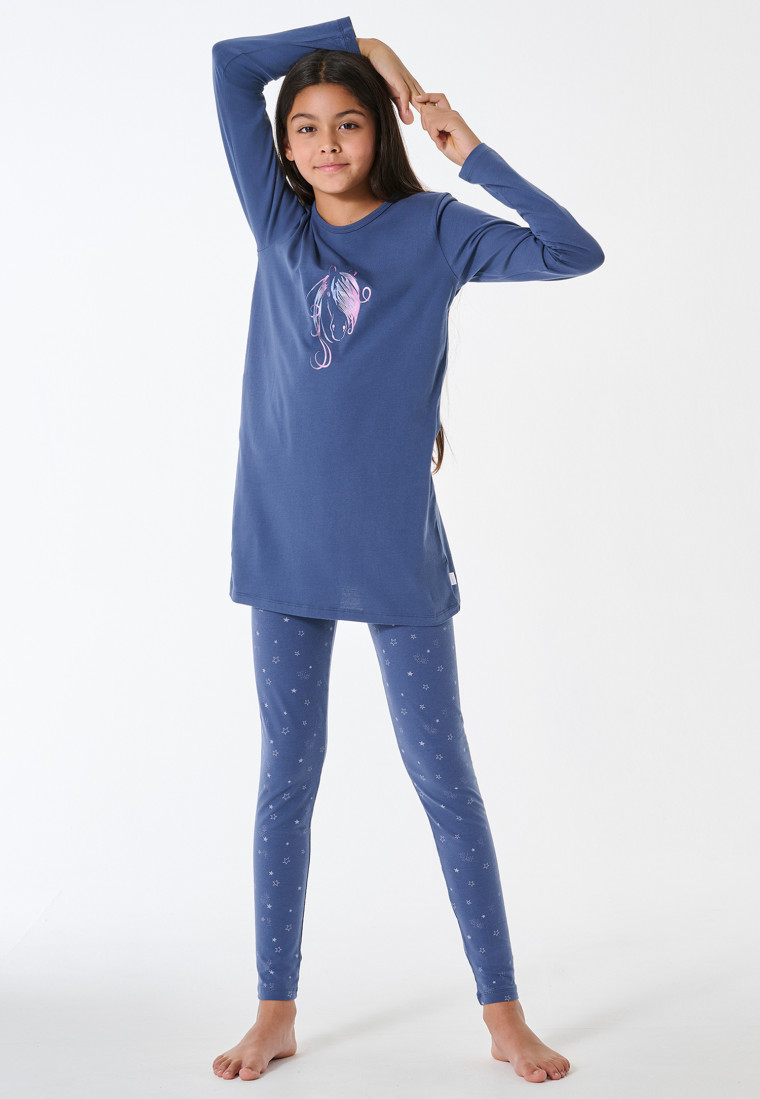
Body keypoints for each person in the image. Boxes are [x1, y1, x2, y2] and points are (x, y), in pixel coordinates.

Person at [210, 15, 604, 1085]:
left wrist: (461, 144)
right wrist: (364, 45)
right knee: (287, 777)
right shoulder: (279, 221)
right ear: (284, 146)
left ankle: (503, 1012)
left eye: (347, 122)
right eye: (305, 127)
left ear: (378, 131)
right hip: (282, 543)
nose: (326, 143)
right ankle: (275, 1008)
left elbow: (572, 251)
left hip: (392, 552)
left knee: (444, 779)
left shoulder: (436, 229)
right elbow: (229, 66)